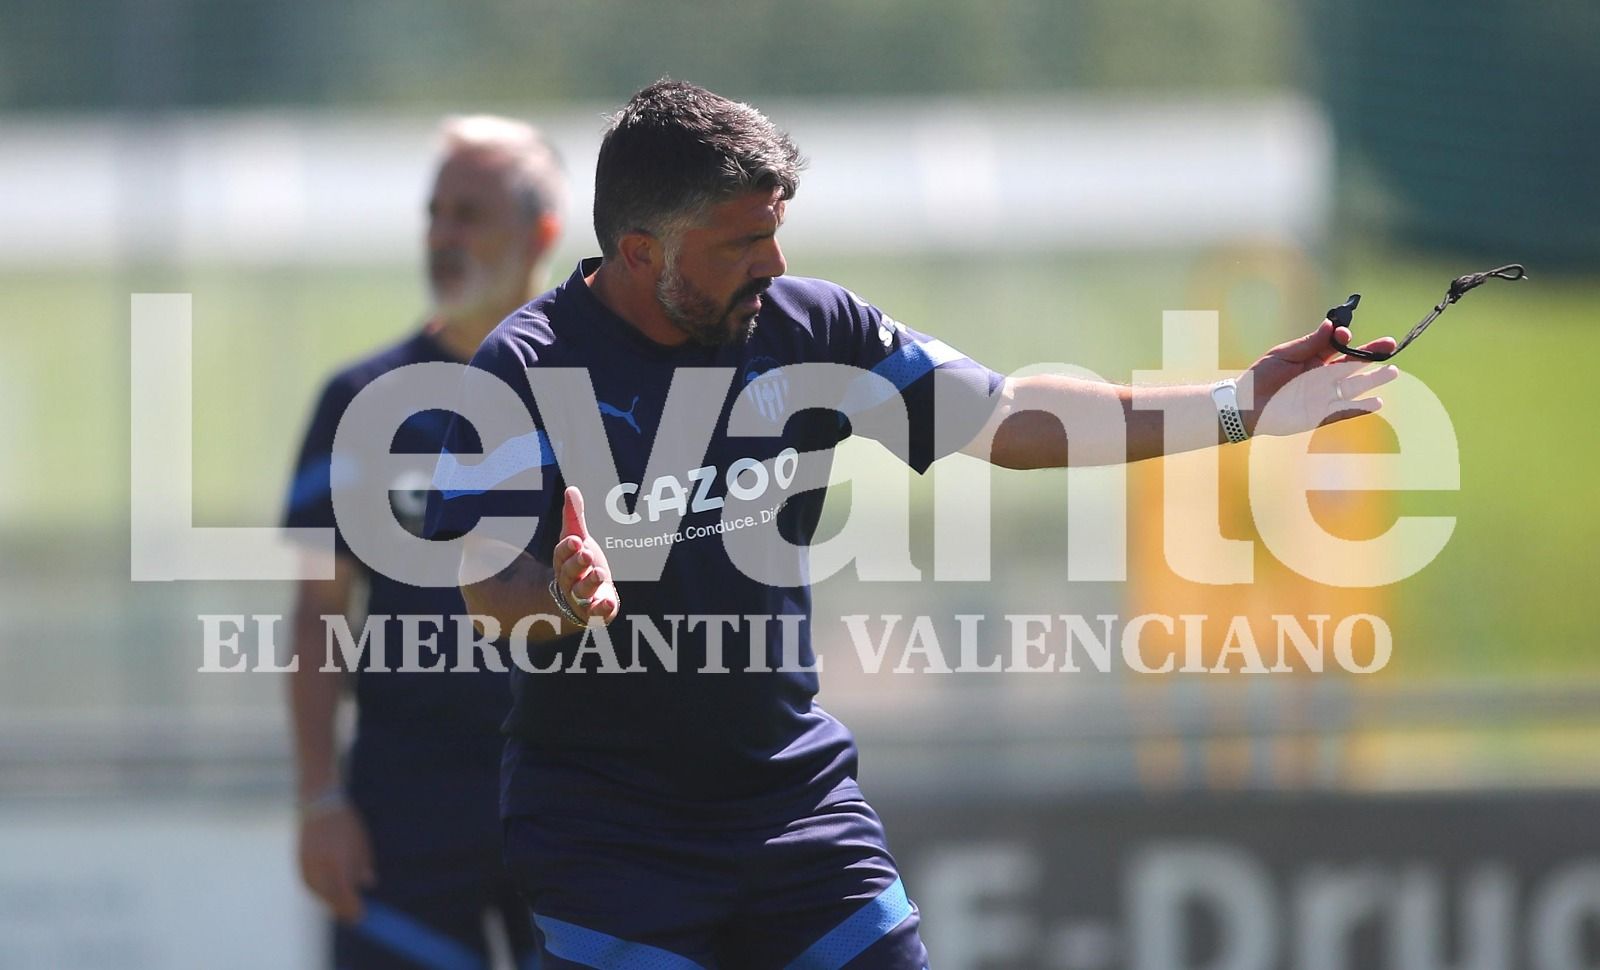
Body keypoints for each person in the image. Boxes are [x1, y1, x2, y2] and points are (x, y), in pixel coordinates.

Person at [425, 81, 1399, 969]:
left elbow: (1010, 416)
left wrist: (1241, 405)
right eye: (739, 243)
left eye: (775, 232)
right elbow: (486, 593)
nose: (775, 263)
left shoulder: (809, 328)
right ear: (642, 254)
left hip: (790, 805)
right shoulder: (524, 370)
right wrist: (557, 591)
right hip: (611, 834)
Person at [285, 114, 564, 970]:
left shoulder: (608, 394)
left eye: (468, 214)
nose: (442, 235)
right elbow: (316, 610)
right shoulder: (360, 398)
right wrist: (319, 798)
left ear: (540, 234)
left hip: (577, 797)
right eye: (435, 212)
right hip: (405, 811)